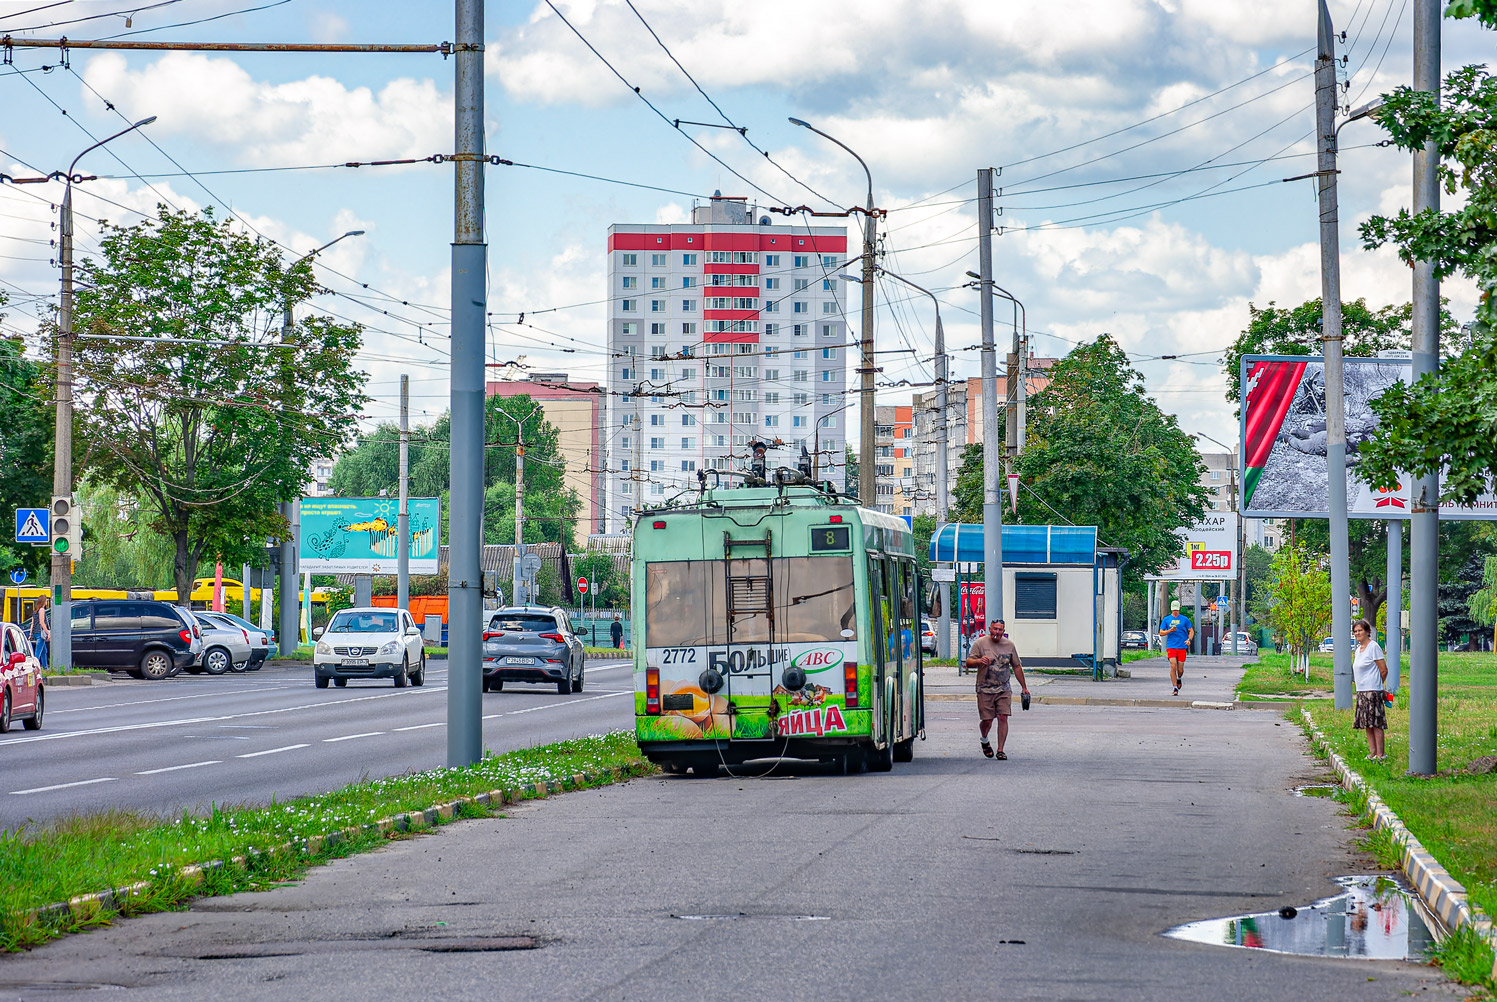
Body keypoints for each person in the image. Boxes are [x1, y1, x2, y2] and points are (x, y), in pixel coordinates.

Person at [964, 618, 1029, 760]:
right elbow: (968, 662)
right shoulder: (980, 643)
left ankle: (1000, 750)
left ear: (1003, 631)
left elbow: (1016, 666)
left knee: (1003, 716)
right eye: (995, 629)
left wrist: (1024, 687)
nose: (997, 632)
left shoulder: (1009, 645)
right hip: (984, 688)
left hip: (1003, 688)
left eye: (1000, 630)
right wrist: (979, 661)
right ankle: (984, 739)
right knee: (987, 720)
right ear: (990, 629)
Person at [1351, 618, 1388, 761]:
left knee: (1376, 723)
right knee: (1367, 723)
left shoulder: (1374, 647)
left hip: (1373, 691)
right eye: (1355, 631)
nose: (1357, 633)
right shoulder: (1358, 650)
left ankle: (1381, 754)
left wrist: (1378, 686)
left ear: (1367, 631)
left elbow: (1383, 670)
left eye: (1360, 630)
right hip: (1361, 691)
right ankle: (1372, 752)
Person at [1158, 599, 1194, 696]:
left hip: (1182, 646)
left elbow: (1191, 631)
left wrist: (1189, 640)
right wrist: (1170, 630)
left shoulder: (1184, 619)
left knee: (1180, 669)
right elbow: (1161, 632)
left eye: (1176, 610)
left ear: (1179, 609)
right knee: (1173, 665)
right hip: (1171, 646)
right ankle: (1174, 688)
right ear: (1171, 610)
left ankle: (1179, 678)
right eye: (1174, 610)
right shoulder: (1166, 619)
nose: (1175, 611)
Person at [27, 596, 50, 671]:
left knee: (44, 651)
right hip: (41, 633)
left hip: (35, 633)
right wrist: (48, 632)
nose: (46, 602)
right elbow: (42, 622)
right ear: (43, 602)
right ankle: (34, 668)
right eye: (46, 601)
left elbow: (32, 623)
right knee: (38, 652)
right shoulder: (42, 610)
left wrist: (30, 634)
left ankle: (45, 667)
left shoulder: (35, 611)